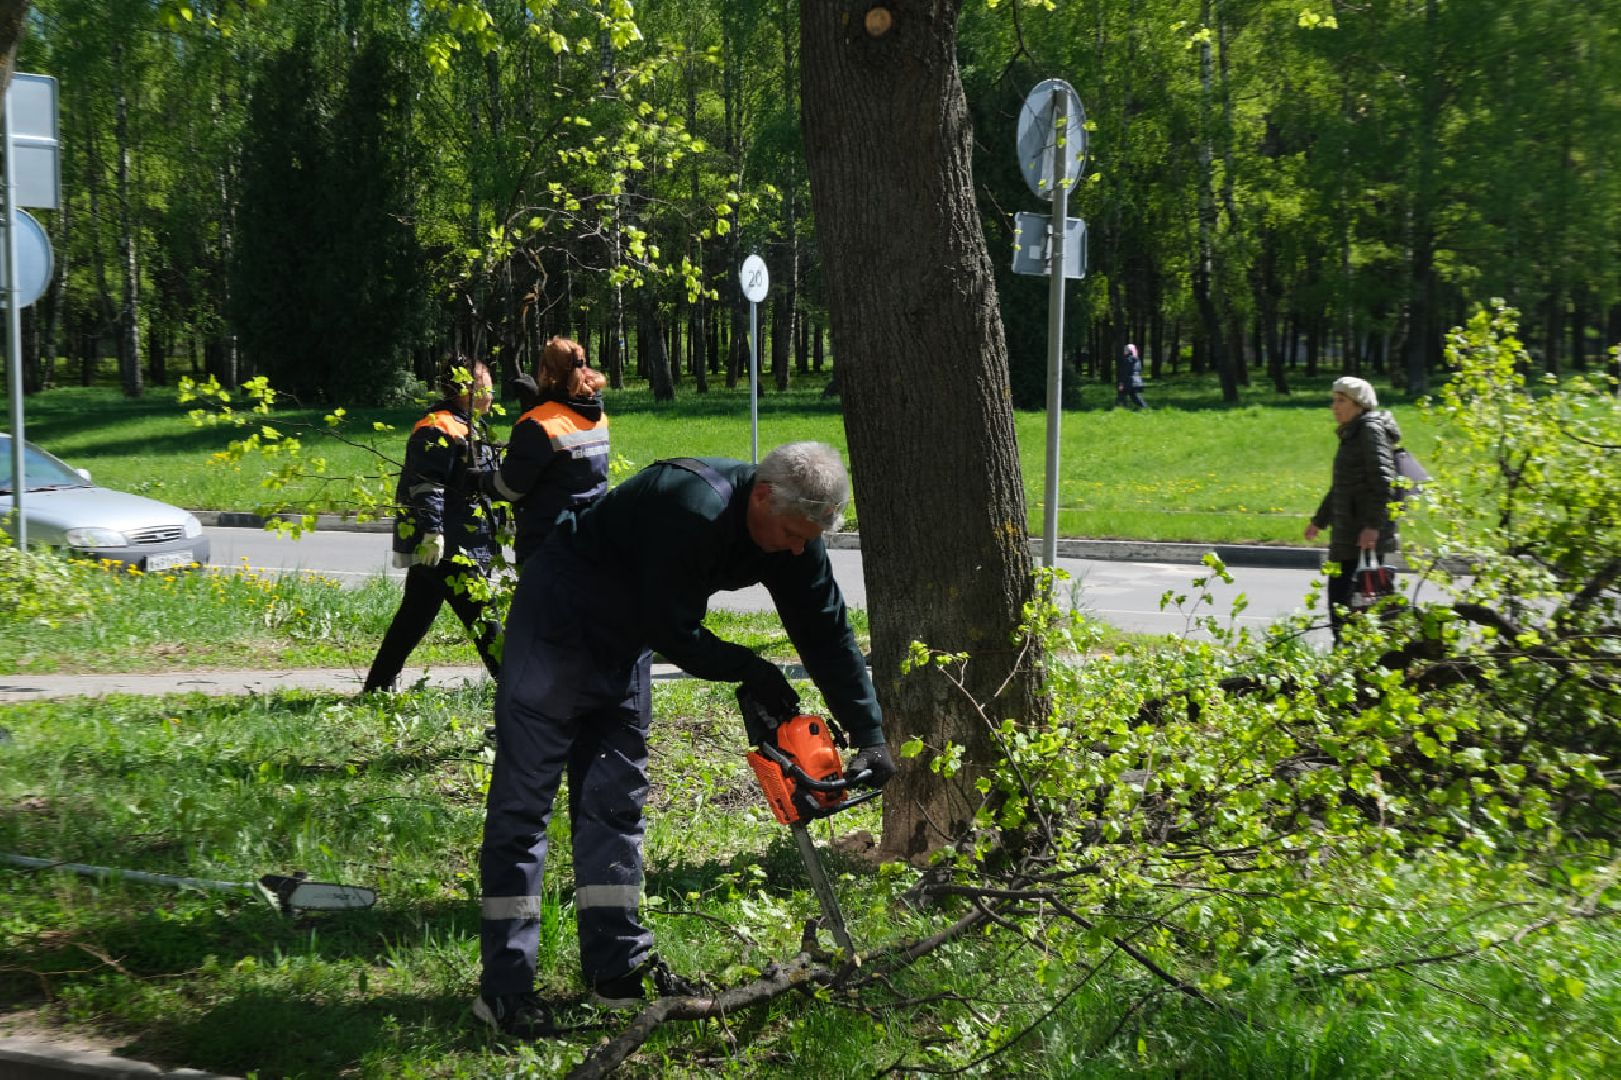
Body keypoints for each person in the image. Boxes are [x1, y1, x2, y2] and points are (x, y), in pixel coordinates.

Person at [472, 441, 895, 1038]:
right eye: (793, 534)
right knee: (525, 809)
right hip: (559, 625)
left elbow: (824, 627)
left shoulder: (792, 530)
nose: (799, 548)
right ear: (763, 496)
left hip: (625, 639)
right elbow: (673, 628)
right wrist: (753, 669)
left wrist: (870, 733)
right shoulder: (690, 508)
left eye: (808, 538)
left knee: (615, 805)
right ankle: (506, 989)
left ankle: (617, 970)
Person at [362, 357, 502, 693]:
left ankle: (378, 686)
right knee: (485, 620)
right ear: (465, 389)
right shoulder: (437, 427)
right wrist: (433, 532)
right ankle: (519, 696)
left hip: (458, 540)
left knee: (414, 616)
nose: (492, 394)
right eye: (486, 387)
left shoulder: (470, 426)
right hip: (451, 546)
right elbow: (427, 485)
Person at [475, 337, 610, 565]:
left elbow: (510, 488)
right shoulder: (597, 417)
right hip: (590, 535)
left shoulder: (537, 424)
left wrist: (480, 480)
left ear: (544, 370)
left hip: (548, 543)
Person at [1303, 376, 1402, 641]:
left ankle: (1355, 666)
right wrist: (1319, 521)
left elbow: (1384, 481)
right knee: (1345, 608)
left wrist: (1372, 527)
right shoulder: (1353, 432)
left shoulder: (1369, 431)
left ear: (1359, 404)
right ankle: (1350, 664)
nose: (1334, 407)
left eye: (1341, 400)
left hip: (1362, 539)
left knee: (1352, 609)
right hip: (1348, 535)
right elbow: (1342, 487)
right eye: (1334, 400)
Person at [1115, 343, 1147, 410]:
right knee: (1134, 396)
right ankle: (1145, 407)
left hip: (1129, 381)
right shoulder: (1137, 360)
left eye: (1126, 350)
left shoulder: (1127, 360)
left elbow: (1124, 373)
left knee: (1121, 395)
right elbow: (1139, 370)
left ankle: (1119, 409)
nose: (1124, 351)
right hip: (1137, 381)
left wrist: (1121, 383)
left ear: (1129, 351)